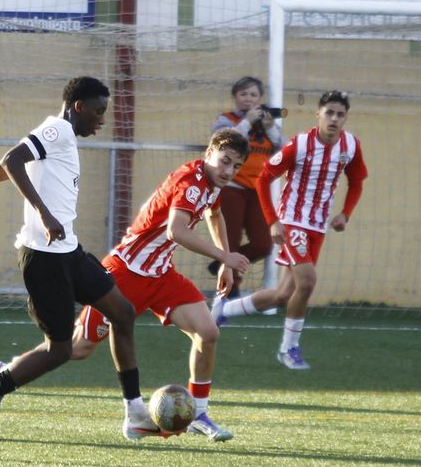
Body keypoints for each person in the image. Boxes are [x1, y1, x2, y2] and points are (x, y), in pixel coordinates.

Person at [0, 76, 149, 457]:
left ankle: (135, 411)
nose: (102, 119)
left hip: (68, 252)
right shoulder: (56, 130)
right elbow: (9, 162)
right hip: (44, 259)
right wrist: (44, 214)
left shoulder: (62, 138)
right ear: (78, 107)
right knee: (59, 351)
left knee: (123, 312)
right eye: (98, 111)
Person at [53, 129, 252, 442]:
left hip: (160, 275)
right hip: (125, 273)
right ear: (208, 154)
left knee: (208, 331)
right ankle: (6, 374)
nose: (228, 170)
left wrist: (226, 262)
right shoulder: (191, 183)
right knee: (77, 348)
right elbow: (176, 232)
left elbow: (215, 214)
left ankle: (198, 412)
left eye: (236, 166)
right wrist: (225, 255)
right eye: (225, 161)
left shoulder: (212, 183)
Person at [212, 91, 368, 370]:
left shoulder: (350, 146)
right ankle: (288, 349)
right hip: (294, 221)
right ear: (317, 115)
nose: (334, 119)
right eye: (329, 113)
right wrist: (273, 221)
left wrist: (345, 213)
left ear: (346, 118)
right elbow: (264, 178)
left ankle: (224, 309)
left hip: (318, 228)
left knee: (283, 294)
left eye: (340, 114)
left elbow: (356, 181)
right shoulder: (301, 144)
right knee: (307, 282)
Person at [208, 76, 284, 295]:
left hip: (258, 189)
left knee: (263, 243)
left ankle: (221, 264)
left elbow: (283, 151)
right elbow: (224, 141)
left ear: (260, 99)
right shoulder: (226, 119)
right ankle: (230, 288)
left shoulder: (267, 125)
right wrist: (247, 122)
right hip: (232, 187)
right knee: (229, 240)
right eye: (243, 94)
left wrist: (269, 127)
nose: (248, 99)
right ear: (235, 97)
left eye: (253, 95)